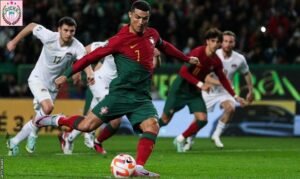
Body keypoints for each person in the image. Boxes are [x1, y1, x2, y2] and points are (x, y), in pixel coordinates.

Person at [33, 0, 199, 177]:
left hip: (141, 97)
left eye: (145, 18)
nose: (141, 22)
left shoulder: (152, 34)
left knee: (152, 126)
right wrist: (66, 74)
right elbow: (89, 58)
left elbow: (165, 46)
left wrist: (186, 58)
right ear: (130, 15)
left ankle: (139, 168)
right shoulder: (119, 40)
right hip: (120, 94)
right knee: (86, 125)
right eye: (137, 17)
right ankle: (55, 120)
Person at [6, 17, 94, 156]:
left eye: (72, 31)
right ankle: (34, 134)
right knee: (48, 108)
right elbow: (31, 25)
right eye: (65, 30)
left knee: (40, 117)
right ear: (59, 30)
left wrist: (89, 73)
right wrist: (14, 41)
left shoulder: (77, 46)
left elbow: (85, 61)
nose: (69, 34)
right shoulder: (49, 36)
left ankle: (15, 141)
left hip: (53, 87)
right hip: (38, 79)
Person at [59, 42, 162, 155]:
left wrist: (156, 55)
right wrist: (81, 71)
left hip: (114, 87)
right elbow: (83, 51)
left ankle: (71, 137)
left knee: (91, 119)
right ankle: (88, 136)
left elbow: (153, 66)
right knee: (115, 119)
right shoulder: (112, 43)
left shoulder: (140, 49)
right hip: (99, 81)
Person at [158, 28, 247, 153]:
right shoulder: (198, 52)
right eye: (213, 41)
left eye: (218, 41)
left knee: (202, 119)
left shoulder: (216, 61)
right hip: (180, 89)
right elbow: (183, 72)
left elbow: (223, 80)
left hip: (194, 92)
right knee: (165, 120)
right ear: (207, 41)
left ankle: (180, 139)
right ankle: (145, 129)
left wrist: (236, 96)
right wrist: (201, 84)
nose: (215, 44)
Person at [184, 31, 254, 150]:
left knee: (230, 108)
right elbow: (205, 77)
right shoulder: (213, 55)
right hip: (209, 90)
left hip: (225, 92)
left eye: (230, 42)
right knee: (199, 118)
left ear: (234, 43)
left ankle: (216, 135)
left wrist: (250, 91)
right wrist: (222, 82)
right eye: (225, 41)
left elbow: (246, 73)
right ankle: (189, 139)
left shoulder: (239, 59)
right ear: (221, 43)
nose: (227, 44)